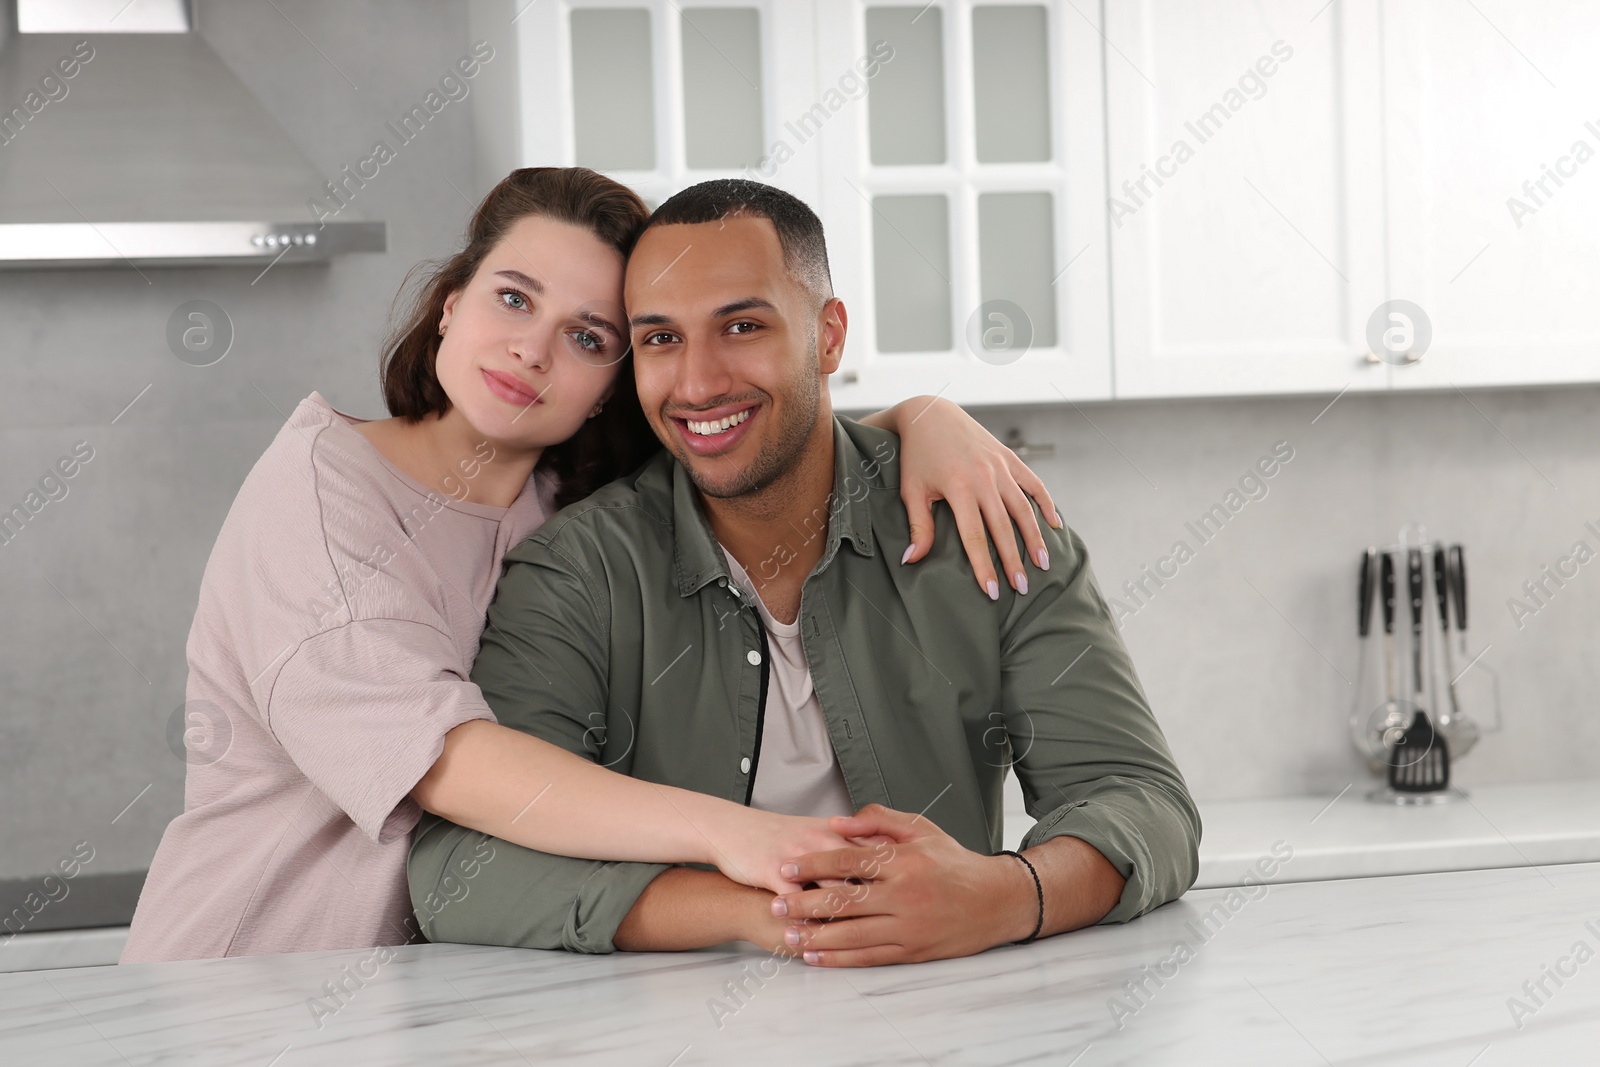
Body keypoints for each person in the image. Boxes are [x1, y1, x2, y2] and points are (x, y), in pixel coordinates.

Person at [118, 168, 1065, 964]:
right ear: (451, 304)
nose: (532, 350)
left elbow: (762, 425)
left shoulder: (563, 502)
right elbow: (446, 764)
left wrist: (923, 416)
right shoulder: (323, 498)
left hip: (431, 989)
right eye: (513, 297)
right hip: (244, 977)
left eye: (587, 337)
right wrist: (733, 836)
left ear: (612, 379)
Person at [408, 178, 1200, 967]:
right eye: (660, 338)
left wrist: (1000, 898)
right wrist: (766, 912)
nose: (698, 383)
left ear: (827, 335)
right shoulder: (578, 573)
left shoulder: (982, 521)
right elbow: (459, 873)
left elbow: (1143, 802)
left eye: (742, 325)